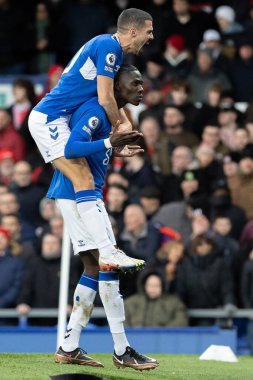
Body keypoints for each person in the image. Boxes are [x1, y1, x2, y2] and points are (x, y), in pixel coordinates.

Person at [47, 65, 159, 370]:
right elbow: (71, 148)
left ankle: (69, 346)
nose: (140, 88)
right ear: (117, 87)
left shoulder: (109, 114)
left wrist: (111, 151)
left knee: (94, 266)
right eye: (134, 83)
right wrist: (111, 143)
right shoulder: (97, 109)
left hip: (76, 194)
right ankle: (122, 349)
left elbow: (88, 147)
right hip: (77, 193)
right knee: (108, 262)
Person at [28, 8, 154, 271]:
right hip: (49, 118)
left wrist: (117, 133)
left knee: (85, 180)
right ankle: (109, 251)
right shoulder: (110, 48)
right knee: (84, 179)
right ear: (133, 31)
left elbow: (108, 95)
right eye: (149, 31)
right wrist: (119, 128)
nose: (151, 37)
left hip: (59, 118)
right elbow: (106, 97)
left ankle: (106, 253)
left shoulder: (109, 48)